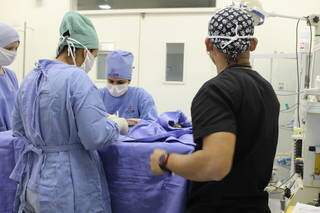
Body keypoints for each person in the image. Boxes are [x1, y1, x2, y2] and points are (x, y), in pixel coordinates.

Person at [150, 6, 279, 213]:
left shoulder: (215, 90)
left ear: (208, 43)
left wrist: (166, 160)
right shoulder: (267, 90)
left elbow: (215, 165)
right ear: (253, 44)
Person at [10, 11, 128, 213]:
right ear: (81, 50)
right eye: (92, 54)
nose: (90, 61)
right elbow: (94, 137)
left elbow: (18, 129)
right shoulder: (76, 78)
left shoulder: (31, 78)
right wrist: (116, 124)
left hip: (34, 178)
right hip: (66, 183)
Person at [99, 50, 158, 125]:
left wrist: (133, 123)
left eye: (120, 82)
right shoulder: (99, 96)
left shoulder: (140, 96)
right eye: (110, 81)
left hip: (135, 137)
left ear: (129, 80)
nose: (114, 86)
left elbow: (152, 124)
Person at [0, 23, 20, 132]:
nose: (13, 53)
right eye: (9, 48)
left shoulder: (11, 76)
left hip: (12, 139)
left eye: (16, 49)